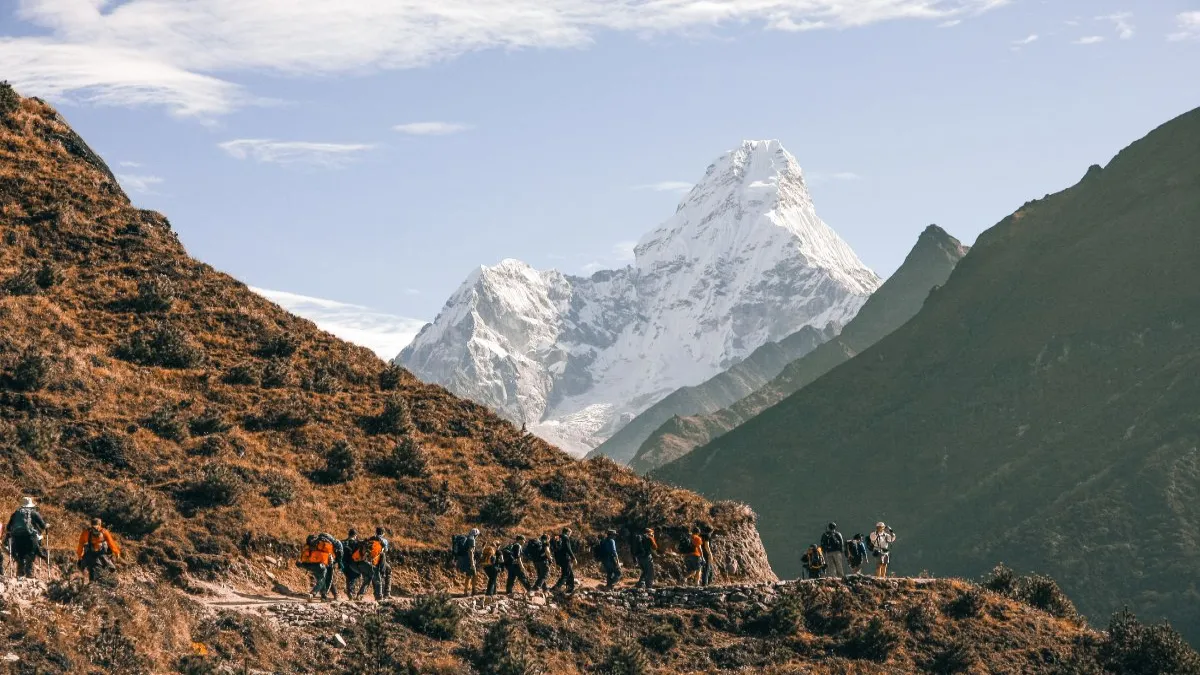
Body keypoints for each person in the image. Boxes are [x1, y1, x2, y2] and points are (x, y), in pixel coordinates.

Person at [5, 497, 48, 578]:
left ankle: (20, 575)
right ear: (30, 505)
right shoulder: (34, 513)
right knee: (30, 556)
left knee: (20, 556)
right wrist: (46, 526)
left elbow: (8, 528)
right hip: (30, 538)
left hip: (17, 538)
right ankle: (29, 575)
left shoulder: (15, 514)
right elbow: (43, 526)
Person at [76, 518, 120, 583]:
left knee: (85, 568)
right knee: (112, 569)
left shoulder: (85, 532)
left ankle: (88, 581)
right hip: (102, 555)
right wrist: (117, 552)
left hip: (89, 555)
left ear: (91, 524)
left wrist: (80, 556)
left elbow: (80, 545)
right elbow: (111, 543)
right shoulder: (104, 531)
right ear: (100, 524)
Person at [298, 535, 335, 600]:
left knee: (320, 580)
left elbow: (304, 558)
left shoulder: (308, 547)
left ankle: (323, 596)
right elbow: (330, 557)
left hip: (311, 566)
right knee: (322, 580)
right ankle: (313, 593)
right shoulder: (322, 546)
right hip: (321, 566)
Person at [350, 532, 385, 601]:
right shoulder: (378, 545)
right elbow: (379, 561)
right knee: (377, 579)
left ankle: (360, 595)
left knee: (367, 579)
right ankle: (379, 597)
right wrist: (382, 572)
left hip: (354, 564)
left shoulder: (366, 543)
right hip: (366, 564)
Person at [452, 528, 480, 596]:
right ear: (476, 534)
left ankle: (469, 591)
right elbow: (470, 551)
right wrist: (472, 563)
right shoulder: (472, 539)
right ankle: (469, 591)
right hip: (469, 561)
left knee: (470, 575)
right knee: (472, 575)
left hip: (464, 559)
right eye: (477, 535)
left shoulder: (466, 537)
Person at [316, 532, 343, 600]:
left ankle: (330, 594)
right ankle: (327, 595)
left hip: (318, 562)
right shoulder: (336, 543)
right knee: (329, 578)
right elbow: (340, 553)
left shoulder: (318, 541)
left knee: (322, 577)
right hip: (329, 562)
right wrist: (339, 563)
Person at [550, 528, 577, 593]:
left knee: (570, 573)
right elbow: (568, 549)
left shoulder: (557, 538)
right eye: (570, 533)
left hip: (559, 559)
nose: (570, 534)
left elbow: (555, 551)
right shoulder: (566, 538)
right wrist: (573, 558)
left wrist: (557, 562)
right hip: (565, 558)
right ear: (567, 532)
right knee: (566, 574)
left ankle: (570, 588)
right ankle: (556, 587)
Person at [342, 529, 362, 598]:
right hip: (353, 563)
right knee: (353, 577)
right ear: (355, 535)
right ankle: (351, 592)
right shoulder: (356, 543)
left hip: (343, 563)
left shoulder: (343, 542)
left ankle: (349, 591)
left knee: (348, 577)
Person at [374, 527, 392, 599]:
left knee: (374, 576)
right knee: (388, 570)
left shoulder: (371, 538)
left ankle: (376, 594)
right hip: (381, 560)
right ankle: (387, 593)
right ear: (383, 533)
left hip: (371, 560)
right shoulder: (384, 540)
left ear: (376, 532)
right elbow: (386, 550)